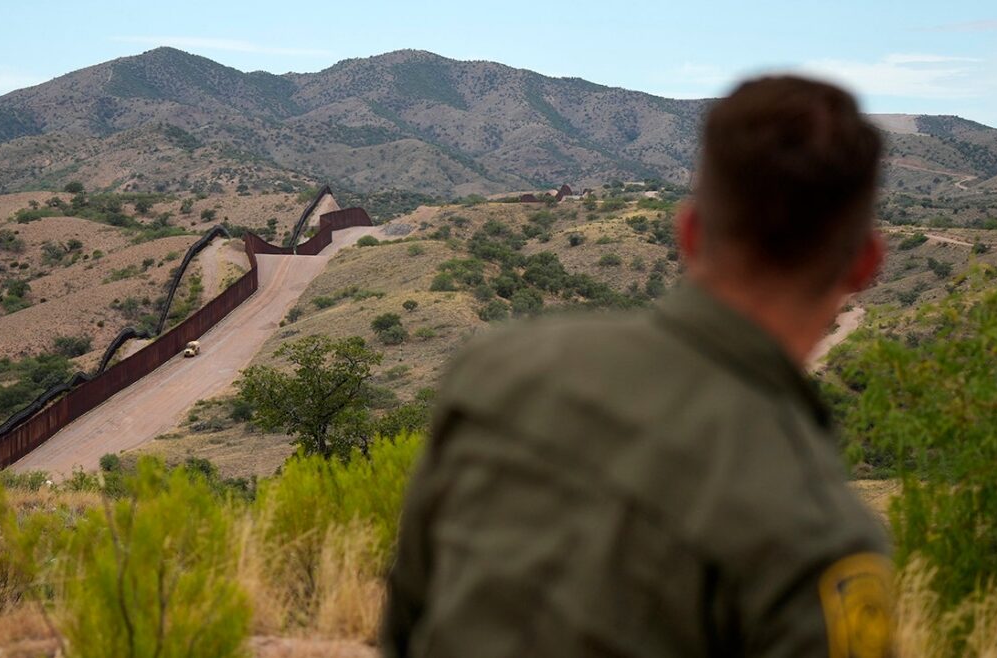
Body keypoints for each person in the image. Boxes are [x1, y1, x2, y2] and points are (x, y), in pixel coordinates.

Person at [382, 76, 895, 657]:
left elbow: (406, 620)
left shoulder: (495, 368)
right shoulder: (821, 534)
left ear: (690, 232)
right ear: (865, 264)